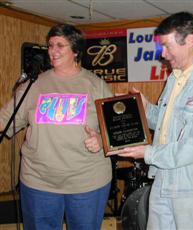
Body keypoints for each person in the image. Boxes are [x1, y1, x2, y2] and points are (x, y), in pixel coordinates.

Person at [111, 12, 193, 229]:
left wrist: (146, 153)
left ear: (190, 41)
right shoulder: (175, 77)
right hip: (163, 178)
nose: (163, 54)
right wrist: (146, 108)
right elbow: (167, 124)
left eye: (167, 46)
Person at [0, 24, 112, 230]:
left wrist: (101, 138)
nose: (53, 50)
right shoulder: (33, 85)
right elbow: (4, 120)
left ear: (76, 51)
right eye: (50, 45)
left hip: (86, 182)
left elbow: (118, 131)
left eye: (60, 45)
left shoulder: (96, 85)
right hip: (38, 182)